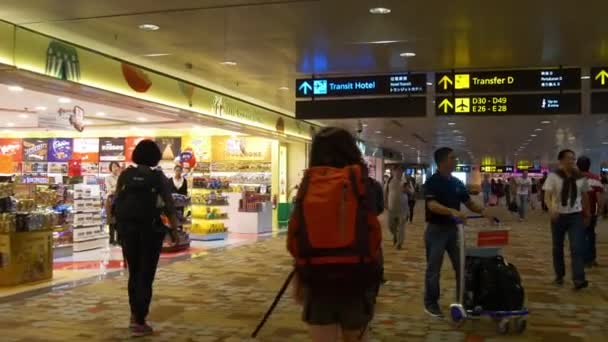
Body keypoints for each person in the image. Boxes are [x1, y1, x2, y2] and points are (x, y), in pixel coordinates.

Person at [288, 127, 381, 342]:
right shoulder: (366, 184)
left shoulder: (308, 183)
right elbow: (373, 232)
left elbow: (294, 235)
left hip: (316, 273)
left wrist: (299, 274)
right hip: (357, 271)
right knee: (356, 334)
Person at [114, 140, 179, 337]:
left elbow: (117, 201)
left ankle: (134, 315)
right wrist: (174, 230)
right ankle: (141, 320)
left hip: (128, 230)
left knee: (134, 273)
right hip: (150, 231)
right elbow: (169, 205)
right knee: (146, 274)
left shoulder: (125, 175)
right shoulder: (158, 177)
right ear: (154, 156)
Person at [423, 147, 494, 318]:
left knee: (462, 266)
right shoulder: (432, 182)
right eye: (452, 157)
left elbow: (468, 202)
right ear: (441, 161)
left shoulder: (456, 183)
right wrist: (451, 211)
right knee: (434, 269)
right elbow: (431, 205)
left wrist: (483, 211)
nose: (456, 160)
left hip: (455, 231)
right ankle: (431, 302)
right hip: (436, 231)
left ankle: (463, 301)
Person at [543, 149, 590, 290]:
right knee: (557, 247)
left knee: (576, 247)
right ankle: (559, 275)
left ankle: (578, 279)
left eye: (573, 158)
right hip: (558, 216)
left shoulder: (580, 177)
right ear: (561, 161)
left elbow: (585, 196)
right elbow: (547, 196)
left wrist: (587, 214)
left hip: (575, 216)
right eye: (569, 158)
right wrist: (551, 209)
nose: (572, 161)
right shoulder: (553, 176)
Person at [577, 156, 603, 268]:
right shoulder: (596, 178)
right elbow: (599, 197)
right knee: (591, 234)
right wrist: (600, 210)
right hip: (592, 211)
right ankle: (591, 259)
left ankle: (582, 259)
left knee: (579, 236)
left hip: (577, 212)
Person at [385, 165, 409, 249]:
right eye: (397, 170)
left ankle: (399, 243)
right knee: (390, 226)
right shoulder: (389, 180)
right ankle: (395, 234)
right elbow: (385, 192)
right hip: (392, 208)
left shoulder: (406, 181)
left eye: (401, 170)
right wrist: (385, 203)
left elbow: (412, 192)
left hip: (403, 208)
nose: (399, 172)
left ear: (402, 172)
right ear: (393, 171)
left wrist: (407, 190)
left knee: (401, 226)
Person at [105, 161, 122, 245]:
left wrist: (116, 188)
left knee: (119, 219)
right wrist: (118, 186)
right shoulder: (108, 178)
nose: (115, 168)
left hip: (120, 200)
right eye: (113, 166)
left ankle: (119, 240)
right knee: (111, 220)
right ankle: (111, 239)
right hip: (111, 200)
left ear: (119, 168)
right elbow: (109, 190)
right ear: (110, 168)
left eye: (116, 166)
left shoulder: (121, 177)